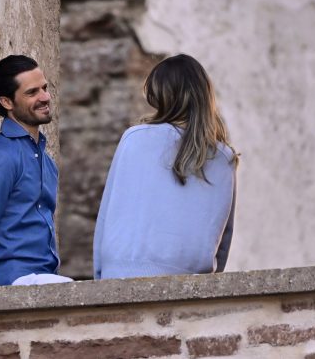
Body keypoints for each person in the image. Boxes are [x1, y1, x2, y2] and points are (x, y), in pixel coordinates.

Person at [93, 54, 238, 280]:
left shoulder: (134, 138)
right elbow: (223, 238)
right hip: (190, 282)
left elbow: (107, 215)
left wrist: (101, 275)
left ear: (160, 95)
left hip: (119, 272)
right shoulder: (224, 157)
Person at [0, 55, 72, 287]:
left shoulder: (46, 160)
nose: (45, 97)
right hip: (12, 282)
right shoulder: (0, 157)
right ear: (7, 102)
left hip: (43, 278)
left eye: (44, 88)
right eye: (32, 93)